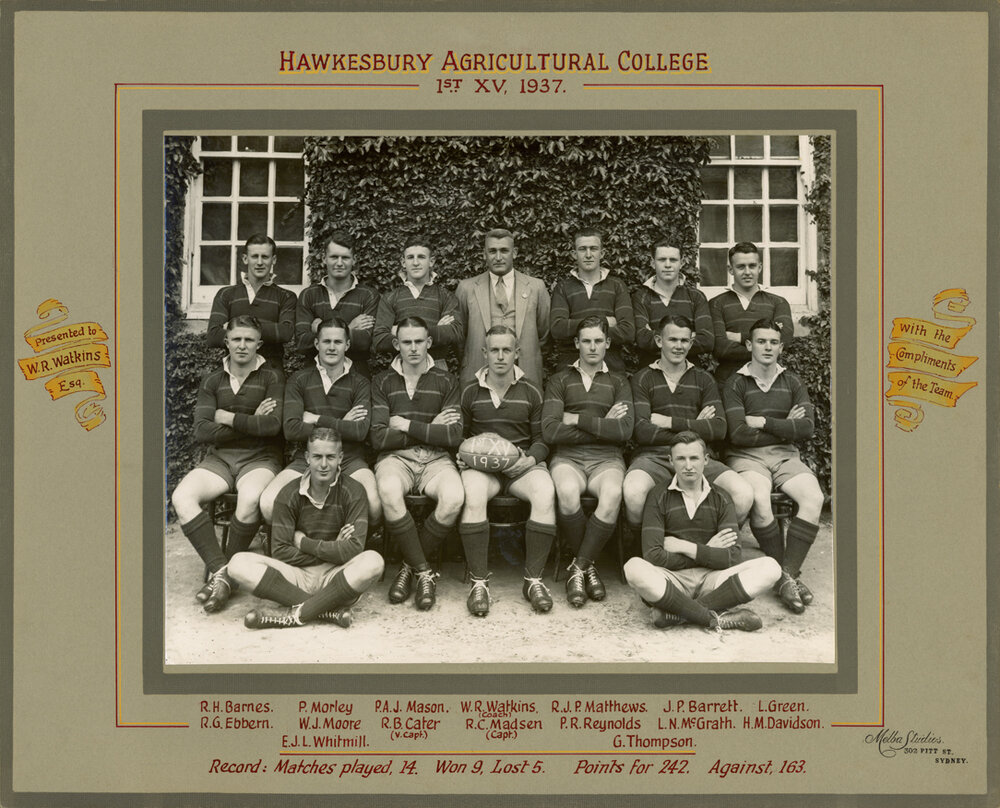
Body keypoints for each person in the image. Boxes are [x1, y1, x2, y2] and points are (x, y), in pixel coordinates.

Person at [171, 315, 284, 613]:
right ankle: (223, 572)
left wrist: (228, 417)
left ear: (259, 344)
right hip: (220, 458)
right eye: (237, 339)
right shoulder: (213, 379)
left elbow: (272, 427)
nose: (242, 345)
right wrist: (250, 420)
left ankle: (222, 576)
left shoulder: (272, 377)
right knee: (182, 497)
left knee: (249, 500)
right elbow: (201, 430)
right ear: (226, 342)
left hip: (260, 458)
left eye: (249, 340)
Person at [623, 432, 781, 631]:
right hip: (673, 579)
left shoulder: (722, 497)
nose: (688, 466)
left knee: (771, 567)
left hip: (713, 578)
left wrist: (686, 547)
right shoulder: (657, 496)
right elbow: (653, 556)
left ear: (706, 460)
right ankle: (714, 619)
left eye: (694, 458)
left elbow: (732, 558)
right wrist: (708, 550)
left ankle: (678, 614)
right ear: (671, 461)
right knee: (633, 567)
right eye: (681, 458)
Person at [229, 428, 385, 629]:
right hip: (296, 574)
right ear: (307, 458)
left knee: (373, 561)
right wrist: (334, 548)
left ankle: (295, 615)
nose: (323, 464)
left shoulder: (354, 491)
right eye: (317, 456)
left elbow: (353, 549)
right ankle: (328, 610)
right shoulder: (288, 492)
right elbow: (281, 552)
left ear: (340, 458)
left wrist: (303, 542)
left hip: (336, 574)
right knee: (237, 563)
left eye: (330, 457)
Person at [722, 319, 825, 613]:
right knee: (759, 499)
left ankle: (785, 575)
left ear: (780, 347)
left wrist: (765, 421)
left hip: (785, 456)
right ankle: (787, 578)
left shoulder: (792, 381)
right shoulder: (736, 383)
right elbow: (738, 433)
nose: (767, 347)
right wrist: (786, 424)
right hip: (747, 457)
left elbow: (806, 428)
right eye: (761, 341)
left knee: (813, 497)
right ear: (749, 345)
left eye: (772, 342)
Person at [623, 315, 753, 538]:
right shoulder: (643, 378)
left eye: (684, 341)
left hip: (699, 457)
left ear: (692, 343)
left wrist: (668, 422)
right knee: (634, 492)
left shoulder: (704, 379)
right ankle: (647, 546)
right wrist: (696, 427)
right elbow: (642, 432)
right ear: (658, 341)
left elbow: (719, 428)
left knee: (743, 494)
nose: (678, 346)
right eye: (672, 339)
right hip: (654, 458)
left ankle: (704, 545)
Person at [458, 326, 557, 616]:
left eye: (507, 350)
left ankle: (533, 580)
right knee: (473, 493)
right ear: (484, 353)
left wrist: (531, 459)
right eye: (494, 350)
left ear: (517, 353)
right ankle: (478, 583)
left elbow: (542, 440)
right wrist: (462, 455)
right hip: (483, 469)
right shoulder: (469, 392)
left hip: (519, 466)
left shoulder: (531, 392)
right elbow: (459, 436)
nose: (500, 356)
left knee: (545, 491)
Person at [370, 316, 465, 610]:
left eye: (419, 342)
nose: (413, 348)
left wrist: (407, 425)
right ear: (396, 344)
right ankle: (424, 572)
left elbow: (453, 434)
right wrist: (429, 427)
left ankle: (408, 567)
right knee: (387, 489)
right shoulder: (382, 381)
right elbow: (379, 438)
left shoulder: (447, 380)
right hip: (396, 459)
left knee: (454, 497)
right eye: (406, 342)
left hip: (437, 460)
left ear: (429, 342)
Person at [542, 315, 633, 607]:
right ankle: (588, 567)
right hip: (567, 458)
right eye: (586, 341)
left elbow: (623, 431)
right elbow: (552, 430)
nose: (592, 347)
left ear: (607, 343)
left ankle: (578, 568)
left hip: (607, 459)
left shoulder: (619, 381)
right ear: (576, 343)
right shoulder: (559, 380)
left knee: (612, 494)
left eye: (598, 341)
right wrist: (600, 425)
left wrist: (577, 419)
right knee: (567, 492)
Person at [259, 315, 381, 529]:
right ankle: (305, 545)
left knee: (373, 505)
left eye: (338, 342)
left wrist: (316, 419)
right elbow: (292, 429)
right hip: (307, 458)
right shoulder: (299, 379)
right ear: (316, 344)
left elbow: (359, 432)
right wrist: (342, 423)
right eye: (326, 341)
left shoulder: (361, 382)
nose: (332, 347)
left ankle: (343, 548)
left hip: (350, 458)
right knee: (269, 503)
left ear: (347, 345)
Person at [454, 228, 551, 387]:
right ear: (484, 254)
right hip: (477, 374)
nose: (498, 257)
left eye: (504, 250)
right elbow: (459, 339)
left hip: (526, 373)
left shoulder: (536, 287)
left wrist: (525, 356)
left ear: (514, 253)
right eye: (492, 251)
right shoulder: (466, 288)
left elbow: (545, 334)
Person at [294, 230, 378, 378]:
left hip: (357, 379)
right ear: (324, 259)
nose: (339, 263)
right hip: (313, 380)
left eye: (345, 257)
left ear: (354, 259)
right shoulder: (309, 295)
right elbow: (302, 343)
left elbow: (365, 342)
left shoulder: (368, 295)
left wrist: (319, 329)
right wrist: (350, 328)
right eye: (334, 257)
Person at [549, 228, 635, 372]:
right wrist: (605, 321)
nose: (588, 254)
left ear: (601, 253)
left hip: (612, 367)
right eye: (582, 249)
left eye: (593, 249)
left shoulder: (617, 286)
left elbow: (628, 331)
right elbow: (558, 328)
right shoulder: (563, 287)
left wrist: (575, 326)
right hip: (570, 367)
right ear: (574, 254)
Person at [372, 235, 464, 367]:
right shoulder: (390, 298)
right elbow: (379, 340)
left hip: (437, 367)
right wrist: (436, 330)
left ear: (431, 261)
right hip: (401, 367)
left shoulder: (445, 296)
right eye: (410, 257)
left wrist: (399, 331)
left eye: (421, 257)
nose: (415, 263)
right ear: (403, 262)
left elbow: (455, 333)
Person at [708, 241, 794, 383]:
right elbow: (720, 348)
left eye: (752, 266)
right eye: (741, 267)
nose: (747, 272)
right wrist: (766, 347)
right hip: (728, 382)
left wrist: (739, 337)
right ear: (730, 269)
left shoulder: (778, 303)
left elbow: (784, 339)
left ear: (759, 267)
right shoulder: (716, 303)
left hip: (769, 382)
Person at [206, 234, 296, 368]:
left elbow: (285, 333)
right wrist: (268, 328)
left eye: (265, 257)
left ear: (274, 259)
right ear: (245, 258)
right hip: (234, 373)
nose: (259, 262)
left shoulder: (286, 296)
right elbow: (213, 336)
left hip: (271, 372)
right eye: (254, 256)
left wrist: (234, 326)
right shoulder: (226, 294)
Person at [631, 237, 713, 366]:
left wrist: (656, 336)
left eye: (673, 260)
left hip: (690, 375)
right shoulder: (641, 297)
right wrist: (687, 338)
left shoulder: (695, 297)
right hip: (651, 374)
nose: (668, 265)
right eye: (662, 260)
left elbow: (706, 340)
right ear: (653, 263)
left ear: (681, 263)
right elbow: (642, 339)